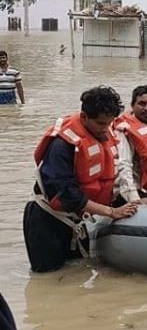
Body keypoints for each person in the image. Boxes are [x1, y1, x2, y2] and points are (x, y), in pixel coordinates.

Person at [23, 86, 138, 272]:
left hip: (79, 220)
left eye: (109, 123)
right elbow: (68, 194)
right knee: (47, 279)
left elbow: (112, 179)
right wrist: (111, 212)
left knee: (77, 273)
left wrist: (135, 200)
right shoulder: (62, 146)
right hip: (48, 221)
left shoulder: (104, 135)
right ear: (84, 117)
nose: (106, 129)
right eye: (101, 124)